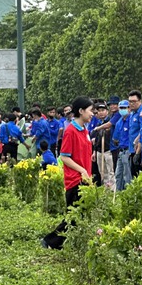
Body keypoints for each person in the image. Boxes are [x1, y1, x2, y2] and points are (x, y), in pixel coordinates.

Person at [42, 96, 94, 250]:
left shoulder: (85, 129)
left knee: (79, 215)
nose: (93, 114)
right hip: (75, 179)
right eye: (91, 111)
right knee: (73, 216)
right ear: (81, 111)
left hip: (85, 179)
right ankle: (51, 241)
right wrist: (82, 170)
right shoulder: (71, 130)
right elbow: (64, 156)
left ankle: (71, 243)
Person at [112, 100, 132, 191]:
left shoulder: (132, 120)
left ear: (129, 108)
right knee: (118, 174)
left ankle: (129, 196)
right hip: (121, 150)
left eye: (124, 108)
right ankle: (118, 195)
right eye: (121, 108)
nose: (122, 110)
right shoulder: (119, 122)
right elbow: (115, 138)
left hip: (128, 151)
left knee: (127, 175)